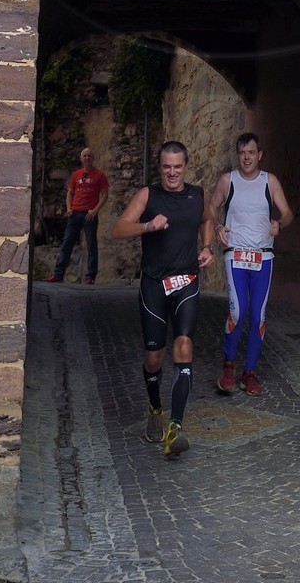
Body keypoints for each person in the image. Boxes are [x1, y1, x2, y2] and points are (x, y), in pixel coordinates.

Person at [111, 140, 214, 458]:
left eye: (177, 166)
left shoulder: (197, 195)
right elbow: (117, 229)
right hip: (154, 285)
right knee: (154, 357)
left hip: (187, 283)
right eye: (167, 167)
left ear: (186, 166)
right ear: (160, 167)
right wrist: (147, 225)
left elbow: (207, 219)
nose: (172, 172)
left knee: (184, 345)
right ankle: (155, 408)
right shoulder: (148, 195)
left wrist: (207, 247)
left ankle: (176, 426)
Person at [209, 131, 293, 397]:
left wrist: (279, 224)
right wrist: (218, 226)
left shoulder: (270, 181)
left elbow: (287, 212)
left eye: (251, 153)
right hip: (235, 255)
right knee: (237, 312)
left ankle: (250, 373)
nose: (247, 158)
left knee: (258, 316)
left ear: (260, 155)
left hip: (262, 257)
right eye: (242, 153)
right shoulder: (228, 181)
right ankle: (228, 366)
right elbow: (209, 207)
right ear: (238, 155)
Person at [46, 146, 109, 285]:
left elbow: (105, 194)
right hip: (75, 213)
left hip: (89, 214)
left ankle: (90, 276)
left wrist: (95, 210)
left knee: (91, 245)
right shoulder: (76, 174)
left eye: (89, 156)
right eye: (84, 156)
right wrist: (69, 208)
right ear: (81, 158)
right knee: (66, 244)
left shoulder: (99, 175)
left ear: (93, 158)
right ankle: (58, 274)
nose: (87, 158)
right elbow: (70, 192)